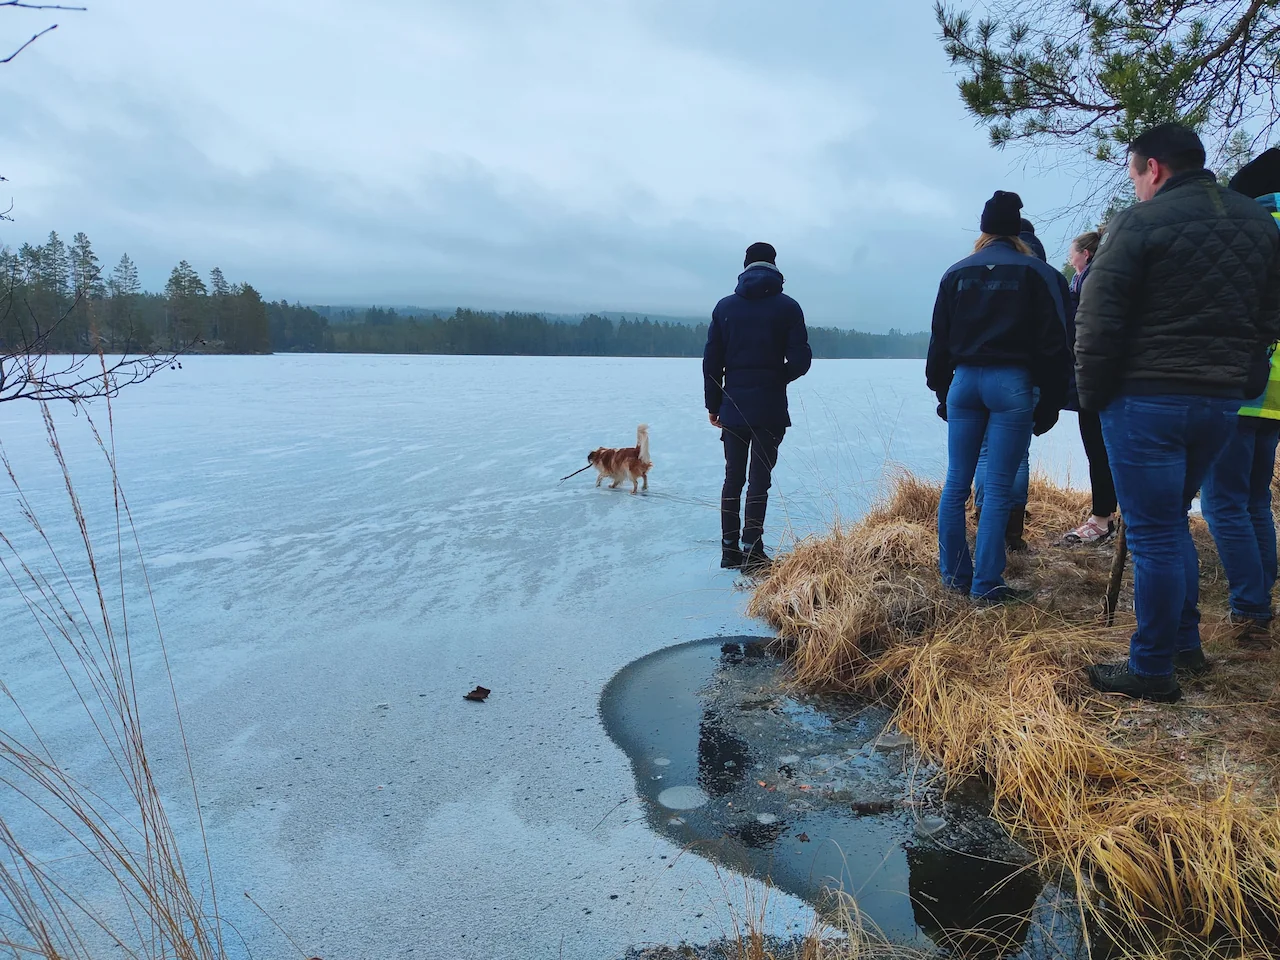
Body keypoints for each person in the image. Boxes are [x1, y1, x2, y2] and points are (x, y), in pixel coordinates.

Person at [1075, 124, 1280, 702]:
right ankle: (1184, 646)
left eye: (1135, 173)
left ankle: (1152, 668)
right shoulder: (1256, 223)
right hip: (1220, 402)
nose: (1136, 185)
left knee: (1156, 532)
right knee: (1171, 524)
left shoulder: (1139, 223)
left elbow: (1097, 319)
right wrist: (1241, 375)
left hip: (1145, 401)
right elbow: (1271, 314)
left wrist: (1092, 396)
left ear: (1154, 169)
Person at [927, 191, 1071, 603]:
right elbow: (1056, 345)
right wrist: (1050, 404)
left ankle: (954, 575)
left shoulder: (955, 273)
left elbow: (940, 341)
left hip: (965, 382)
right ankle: (986, 583)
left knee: (956, 482)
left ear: (984, 230)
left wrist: (942, 391)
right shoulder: (1040, 274)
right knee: (1000, 484)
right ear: (1017, 231)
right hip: (1011, 383)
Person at [1200, 148, 1280, 655]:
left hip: (1239, 382)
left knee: (1223, 502)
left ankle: (1251, 609)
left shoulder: (1251, 233)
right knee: (1254, 500)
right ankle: (1260, 596)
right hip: (1276, 393)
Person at [703, 242, 812, 574]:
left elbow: (711, 362)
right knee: (759, 480)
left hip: (732, 405)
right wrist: (776, 377)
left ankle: (728, 550)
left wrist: (713, 404)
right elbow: (801, 360)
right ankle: (752, 550)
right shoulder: (788, 308)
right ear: (774, 267)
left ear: (746, 266)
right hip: (769, 408)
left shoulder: (725, 308)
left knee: (733, 477)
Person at [972, 215, 1067, 551]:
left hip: (975, 375)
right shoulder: (1044, 273)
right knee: (1019, 455)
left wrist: (944, 388)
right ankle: (1012, 532)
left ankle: (987, 528)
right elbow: (1059, 338)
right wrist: (1054, 395)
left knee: (984, 454)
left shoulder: (975, 269)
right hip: (1026, 377)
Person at [1058, 230, 1119, 545]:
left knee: (1098, 448)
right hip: (1101, 378)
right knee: (1105, 449)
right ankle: (1108, 515)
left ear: (1086, 254)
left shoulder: (1090, 284)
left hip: (1096, 380)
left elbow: (1086, 333)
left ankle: (1102, 518)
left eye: (1073, 252)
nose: (1070, 257)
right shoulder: (1086, 282)